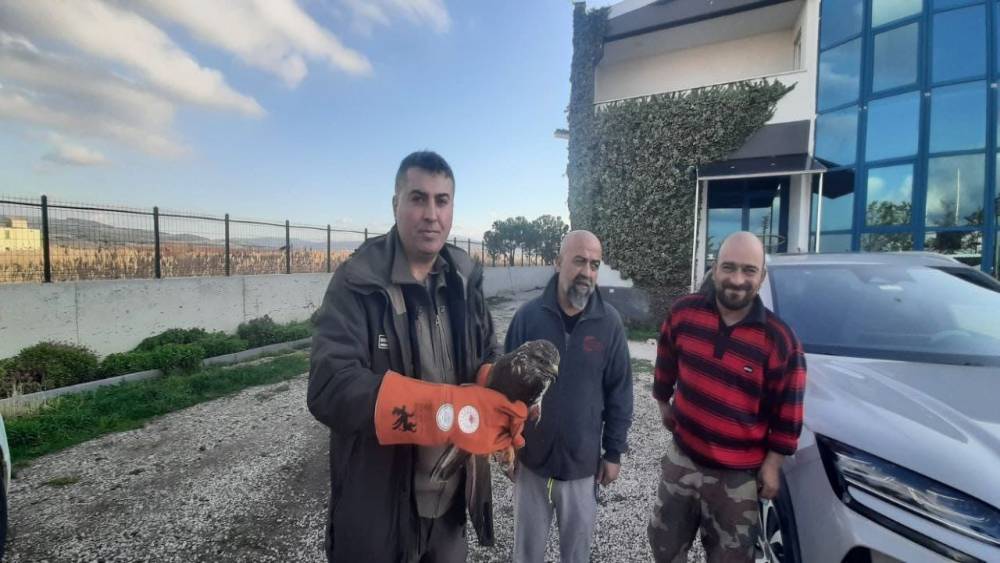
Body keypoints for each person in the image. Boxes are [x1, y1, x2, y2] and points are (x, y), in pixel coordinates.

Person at [308, 151, 529, 562]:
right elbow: (329, 386)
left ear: (452, 208)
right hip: (379, 513)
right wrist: (449, 410)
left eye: (442, 201)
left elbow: (486, 351)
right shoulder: (358, 281)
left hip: (450, 510)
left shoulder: (464, 279)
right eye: (418, 198)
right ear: (396, 204)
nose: (431, 214)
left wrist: (498, 387)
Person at [648, 231, 806, 562]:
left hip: (738, 477)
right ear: (715, 269)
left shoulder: (780, 340)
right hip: (682, 460)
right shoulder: (684, 314)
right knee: (664, 546)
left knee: (731, 557)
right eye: (728, 267)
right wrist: (663, 403)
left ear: (762, 276)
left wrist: (773, 465)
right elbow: (665, 363)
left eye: (749, 270)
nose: (737, 279)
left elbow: (788, 413)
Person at [504, 230, 634, 563]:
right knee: (526, 555)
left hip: (582, 466)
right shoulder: (527, 318)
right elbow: (504, 390)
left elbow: (619, 392)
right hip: (531, 464)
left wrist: (613, 452)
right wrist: (506, 445)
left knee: (577, 556)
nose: (587, 272)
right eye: (579, 261)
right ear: (558, 262)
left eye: (595, 264)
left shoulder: (609, 324)